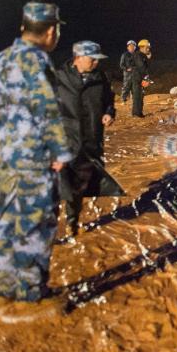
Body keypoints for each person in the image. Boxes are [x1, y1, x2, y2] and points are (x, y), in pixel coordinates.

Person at [0, 2, 72, 314]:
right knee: (35, 222)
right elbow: (48, 110)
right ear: (51, 31)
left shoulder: (0, 59)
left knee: (8, 218)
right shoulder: (37, 61)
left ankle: (4, 290)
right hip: (34, 156)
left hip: (7, 152)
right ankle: (30, 297)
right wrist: (60, 152)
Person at [55, 41, 123, 239]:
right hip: (62, 142)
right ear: (78, 58)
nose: (95, 63)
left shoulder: (100, 78)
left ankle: (71, 224)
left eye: (97, 60)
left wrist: (109, 113)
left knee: (76, 187)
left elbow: (108, 100)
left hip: (89, 141)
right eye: (92, 59)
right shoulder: (59, 78)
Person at [129, 39, 151, 117]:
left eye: (149, 48)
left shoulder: (141, 55)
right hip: (136, 78)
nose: (148, 49)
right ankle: (136, 114)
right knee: (137, 96)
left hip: (139, 78)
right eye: (147, 47)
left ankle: (138, 113)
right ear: (141, 47)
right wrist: (146, 78)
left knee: (140, 95)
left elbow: (145, 67)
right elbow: (142, 67)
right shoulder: (138, 55)